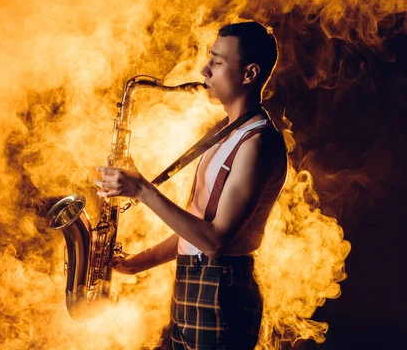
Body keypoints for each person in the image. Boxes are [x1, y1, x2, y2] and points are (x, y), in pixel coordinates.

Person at [95, 21, 288, 350]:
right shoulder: (224, 131)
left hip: (221, 294)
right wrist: (138, 262)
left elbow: (215, 242)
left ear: (249, 74)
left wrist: (142, 189)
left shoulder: (258, 143)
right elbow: (199, 229)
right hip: (197, 287)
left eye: (217, 61)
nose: (204, 70)